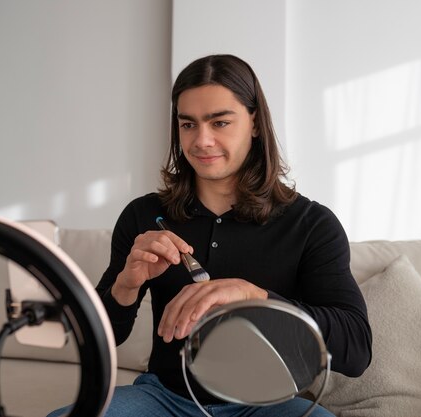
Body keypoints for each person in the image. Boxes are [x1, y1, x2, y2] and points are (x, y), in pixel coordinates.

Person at [48, 54, 372, 417]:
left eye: (219, 122)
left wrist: (255, 296)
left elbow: (356, 350)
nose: (202, 140)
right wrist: (125, 286)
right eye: (188, 124)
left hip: (267, 406)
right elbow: (97, 343)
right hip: (164, 399)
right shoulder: (144, 215)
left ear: (254, 123)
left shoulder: (311, 224)